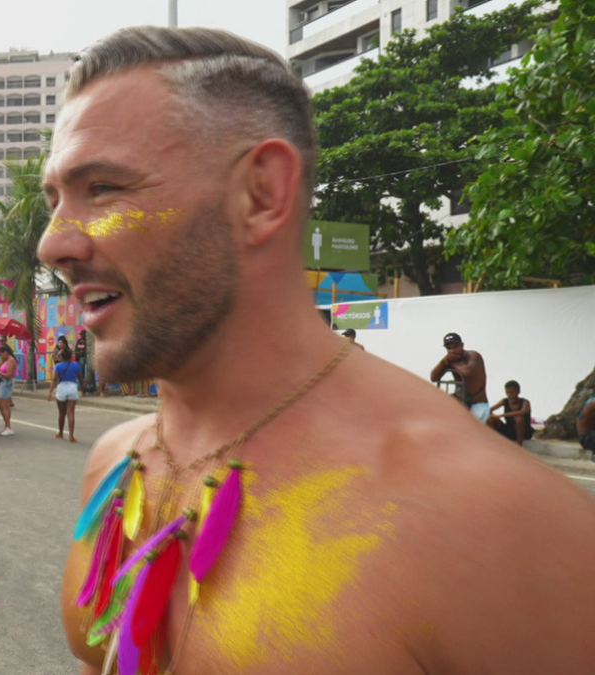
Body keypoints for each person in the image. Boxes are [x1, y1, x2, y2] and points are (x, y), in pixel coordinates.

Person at [38, 26, 595, 673]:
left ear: (262, 193)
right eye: (56, 200)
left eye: (103, 188)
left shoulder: (482, 515)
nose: (54, 243)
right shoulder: (117, 461)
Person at [431, 332, 490, 422]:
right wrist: (443, 361)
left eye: (455, 347)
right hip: (463, 404)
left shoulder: (474, 356)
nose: (452, 351)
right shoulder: (449, 360)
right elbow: (433, 377)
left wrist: (450, 363)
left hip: (478, 405)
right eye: (449, 348)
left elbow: (467, 373)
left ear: (462, 345)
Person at [48, 345, 82, 443]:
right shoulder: (76, 365)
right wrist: (82, 388)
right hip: (72, 387)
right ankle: (71, 436)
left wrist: (50, 391)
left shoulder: (58, 366)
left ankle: (61, 433)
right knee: (71, 413)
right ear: (71, 356)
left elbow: (55, 380)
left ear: (62, 357)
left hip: (62, 387)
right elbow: (80, 377)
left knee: (61, 413)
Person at [487, 380, 533, 446]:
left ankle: (519, 446)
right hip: (509, 430)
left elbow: (522, 412)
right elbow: (490, 409)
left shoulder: (525, 402)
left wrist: (501, 415)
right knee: (490, 419)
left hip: (524, 433)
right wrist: (492, 416)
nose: (509, 395)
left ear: (518, 391)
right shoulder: (505, 401)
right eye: (507, 393)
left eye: (512, 393)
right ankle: (494, 442)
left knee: (519, 419)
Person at [0, 344, 18, 436]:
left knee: (4, 406)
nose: (0, 357)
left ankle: (8, 426)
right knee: (1, 406)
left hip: (6, 384)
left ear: (6, 352)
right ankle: (6, 426)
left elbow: (9, 375)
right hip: (2, 383)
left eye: (1, 354)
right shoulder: (6, 360)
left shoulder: (11, 361)